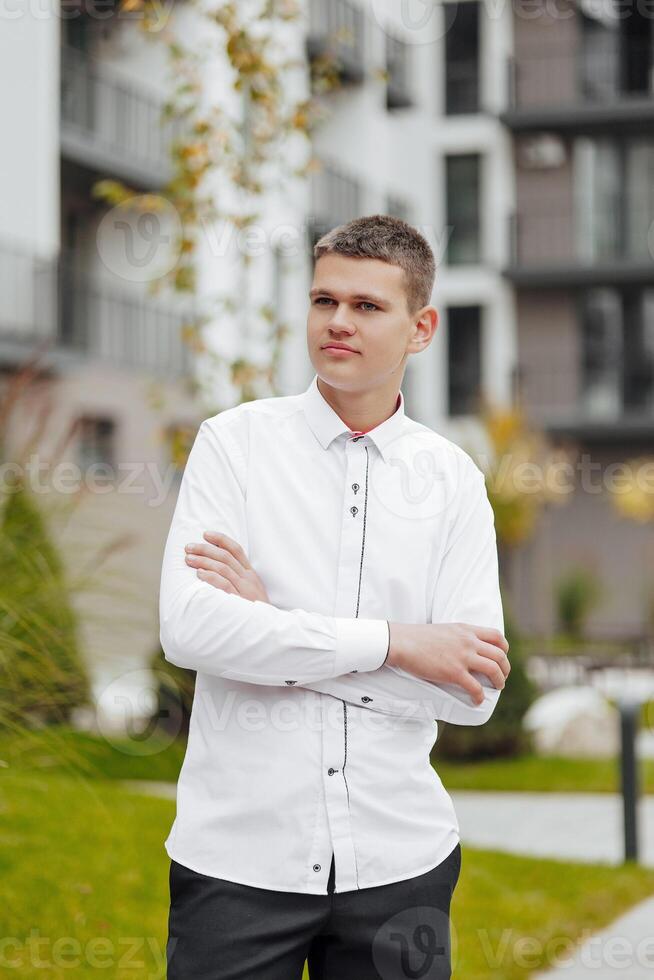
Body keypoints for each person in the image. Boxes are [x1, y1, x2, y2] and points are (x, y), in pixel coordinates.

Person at [159, 214, 510, 979]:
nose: (337, 323)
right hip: (237, 865)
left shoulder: (452, 481)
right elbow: (189, 630)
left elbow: (473, 692)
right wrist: (399, 643)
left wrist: (272, 631)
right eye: (324, 301)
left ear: (421, 329)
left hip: (400, 859)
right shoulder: (234, 445)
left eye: (366, 306)